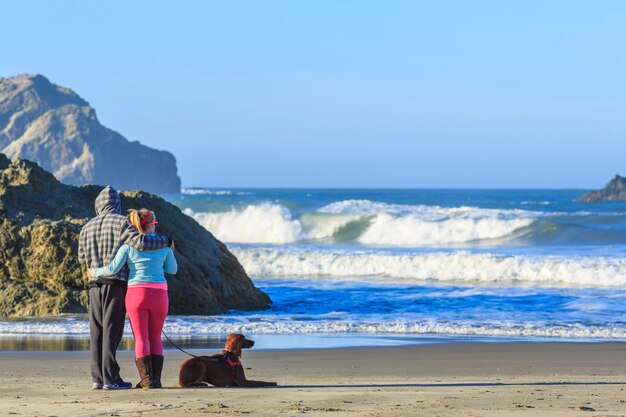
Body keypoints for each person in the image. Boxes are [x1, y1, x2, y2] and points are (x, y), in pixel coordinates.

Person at [78, 186, 173, 390]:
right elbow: (140, 242)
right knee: (112, 330)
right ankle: (111, 379)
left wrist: (94, 270)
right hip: (116, 283)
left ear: (98, 204)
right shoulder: (122, 222)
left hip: (94, 284)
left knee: (96, 330)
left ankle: (98, 378)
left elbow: (82, 259)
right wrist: (167, 241)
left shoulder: (86, 227)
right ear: (117, 204)